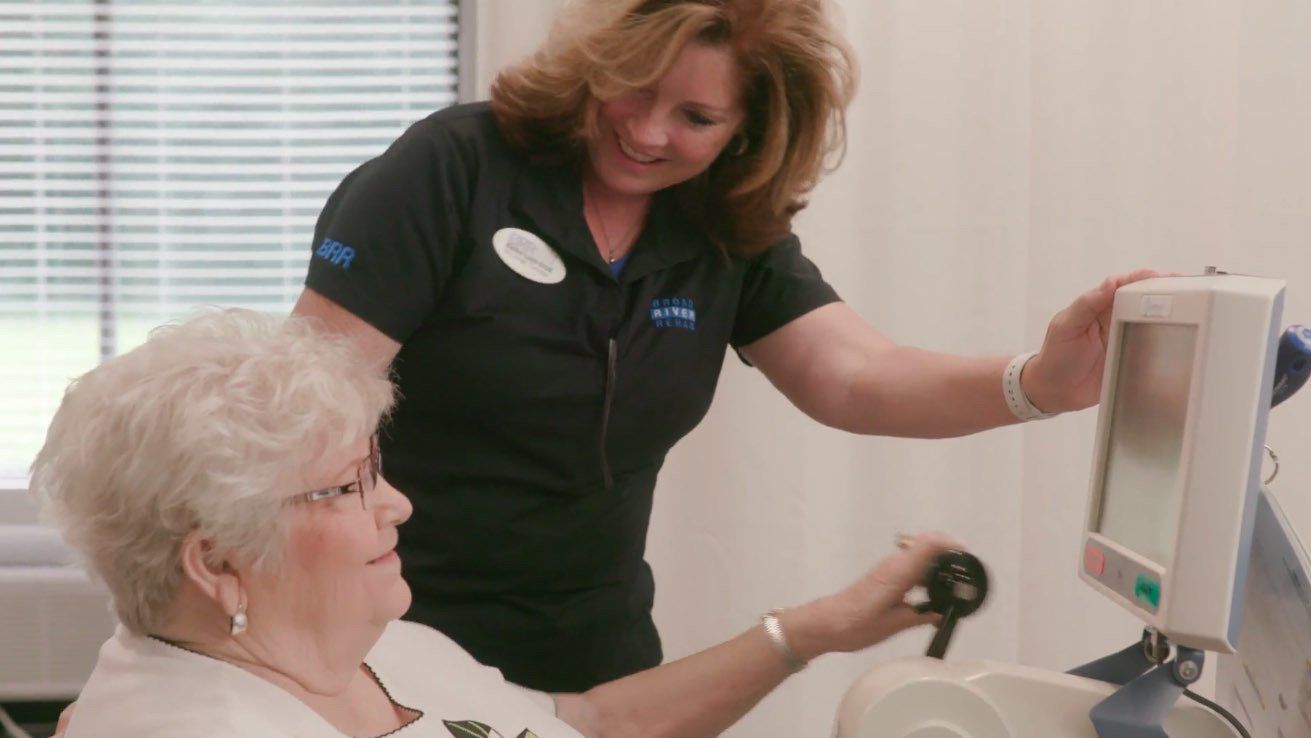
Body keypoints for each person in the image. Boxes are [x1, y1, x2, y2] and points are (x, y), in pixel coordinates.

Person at [292, 0, 1156, 691]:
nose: (647, 130)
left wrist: (1036, 382)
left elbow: (853, 377)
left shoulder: (720, 227)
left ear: (746, 132)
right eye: (632, 88)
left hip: (593, 638)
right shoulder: (457, 166)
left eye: (696, 117)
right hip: (389, 616)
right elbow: (311, 402)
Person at [32, 309, 956, 738]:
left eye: (376, 471)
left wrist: (808, 631)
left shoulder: (373, 648)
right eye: (348, 487)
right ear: (219, 562)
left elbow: (585, 723)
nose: (397, 504)